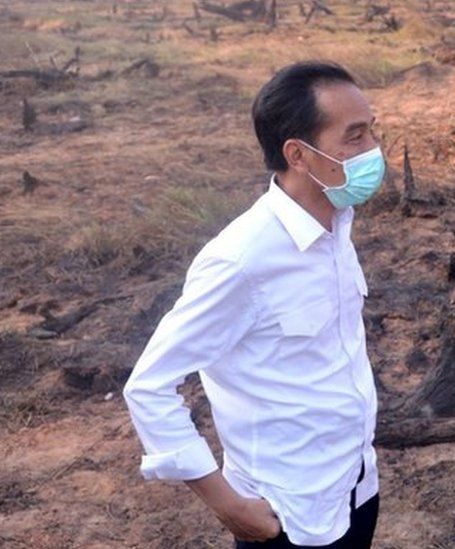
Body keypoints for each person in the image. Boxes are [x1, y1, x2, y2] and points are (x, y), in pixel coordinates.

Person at [123, 61, 384, 548]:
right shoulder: (241, 260)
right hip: (286, 517)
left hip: (355, 485)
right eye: (354, 136)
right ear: (299, 155)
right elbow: (148, 386)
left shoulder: (336, 223)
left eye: (372, 131)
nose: (373, 151)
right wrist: (228, 506)